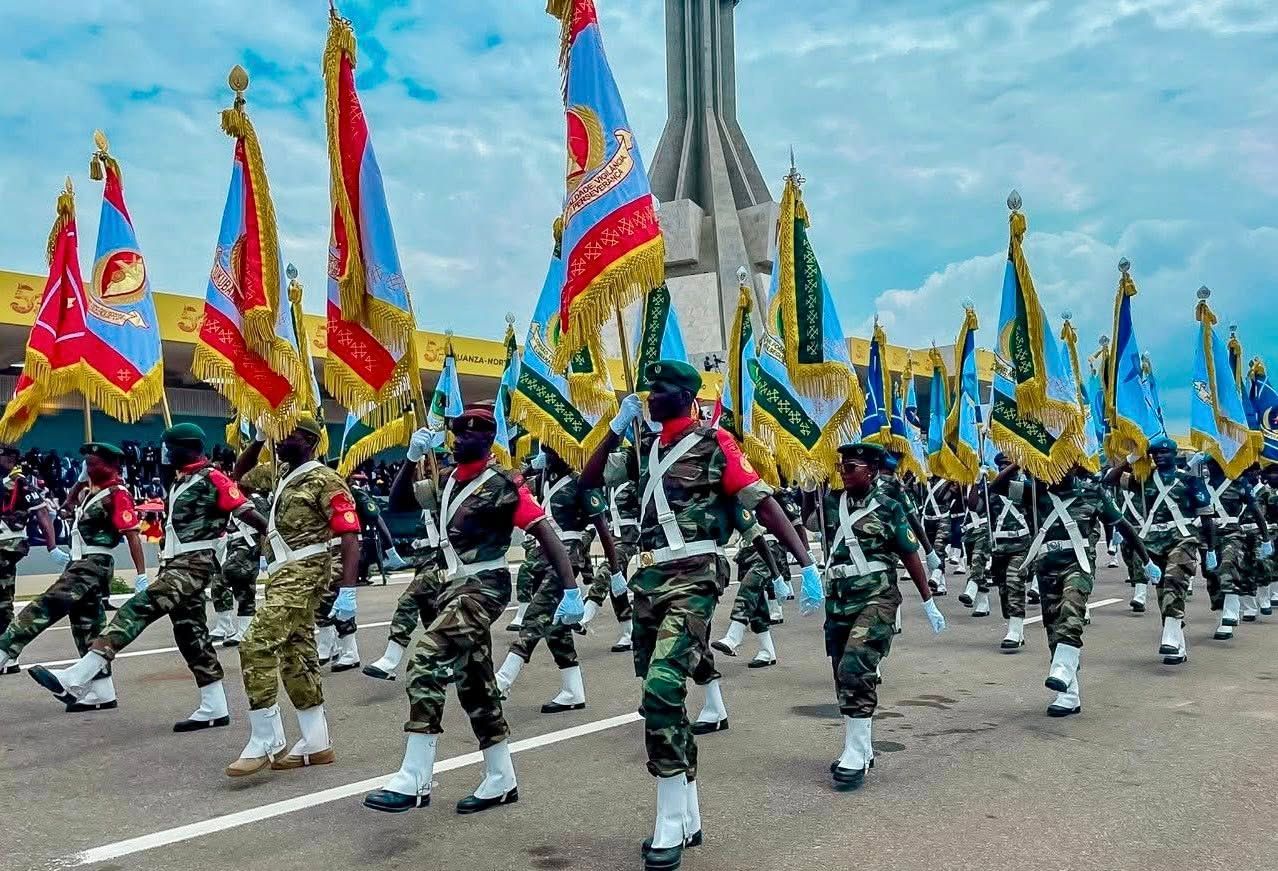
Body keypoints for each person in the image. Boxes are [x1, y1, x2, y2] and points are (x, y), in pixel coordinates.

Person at [580, 360, 819, 871]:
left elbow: (762, 501)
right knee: (659, 700)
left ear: (688, 396)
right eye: (648, 389)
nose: (651, 396)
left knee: (662, 687)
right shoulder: (644, 449)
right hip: (648, 583)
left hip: (695, 577)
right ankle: (688, 812)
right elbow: (589, 480)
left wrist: (804, 563)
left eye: (661, 388)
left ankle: (668, 820)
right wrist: (615, 428)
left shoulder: (716, 443)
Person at [363, 403, 579, 815]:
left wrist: (570, 589)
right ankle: (501, 777)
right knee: (475, 683)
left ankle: (415, 777)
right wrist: (410, 458)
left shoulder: (503, 484)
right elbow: (400, 503)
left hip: (484, 587)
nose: (460, 439)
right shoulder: (446, 479)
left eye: (471, 434)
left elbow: (543, 531)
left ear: (488, 440)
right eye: (458, 432)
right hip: (450, 587)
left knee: (426, 657)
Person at [29, 425, 267, 730]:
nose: (165, 453)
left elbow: (244, 511)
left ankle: (78, 675)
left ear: (186, 446)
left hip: (194, 564)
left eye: (169, 447)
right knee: (191, 635)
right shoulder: (182, 479)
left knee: (138, 607)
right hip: (174, 563)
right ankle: (214, 706)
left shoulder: (213, 478)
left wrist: (273, 537)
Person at [224, 414, 361, 777]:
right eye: (279, 434)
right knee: (296, 653)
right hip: (280, 572)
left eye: (290, 435)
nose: (281, 440)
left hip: (307, 569)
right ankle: (316, 742)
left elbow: (349, 534)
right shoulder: (279, 473)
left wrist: (348, 590)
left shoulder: (326, 480)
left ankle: (266, 738)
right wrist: (257, 439)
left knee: (255, 643)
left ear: (311, 441)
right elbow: (237, 478)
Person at [806, 442, 947, 791]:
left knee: (855, 666)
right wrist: (809, 482)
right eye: (841, 467)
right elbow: (808, 521)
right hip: (839, 600)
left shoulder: (888, 507)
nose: (843, 473)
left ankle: (855, 753)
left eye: (850, 467)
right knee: (842, 675)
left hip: (877, 597)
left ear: (870, 471)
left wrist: (928, 601)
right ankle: (862, 747)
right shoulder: (832, 503)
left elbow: (909, 555)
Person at [1000, 463, 1156, 715]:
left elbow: (1123, 525)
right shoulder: (1035, 492)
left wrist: (1147, 561)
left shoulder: (1092, 492)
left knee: (1071, 610)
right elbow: (997, 487)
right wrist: (1023, 459)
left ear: (1074, 466)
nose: (1058, 471)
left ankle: (1062, 668)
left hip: (1078, 564)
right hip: (1046, 567)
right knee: (1054, 627)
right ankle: (1069, 695)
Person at [0, 443, 146, 707]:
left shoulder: (117, 494)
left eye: (94, 464)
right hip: (80, 561)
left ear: (111, 465)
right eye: (86, 464)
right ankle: (102, 692)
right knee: (87, 626)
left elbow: (132, 534)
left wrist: (141, 574)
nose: (89, 469)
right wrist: (78, 485)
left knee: (45, 605)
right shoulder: (91, 493)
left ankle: (3, 651)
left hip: (94, 562)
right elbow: (67, 505)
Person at [494, 445, 620, 714]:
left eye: (554, 450)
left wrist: (616, 571)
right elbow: (517, 482)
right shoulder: (543, 478)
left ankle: (502, 680)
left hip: (567, 557)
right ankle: (573, 691)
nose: (549, 455)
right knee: (556, 629)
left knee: (535, 616)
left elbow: (603, 529)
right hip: (543, 555)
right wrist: (531, 467)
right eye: (546, 450)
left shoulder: (581, 483)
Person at [1106, 438, 1215, 663]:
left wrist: (1210, 550)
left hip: (1182, 538)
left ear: (1175, 454)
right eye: (1155, 453)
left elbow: (1206, 517)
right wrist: (1130, 459)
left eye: (1165, 453)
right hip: (1153, 541)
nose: (1159, 456)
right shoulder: (1143, 479)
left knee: (1174, 579)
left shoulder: (1189, 480)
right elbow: (1109, 480)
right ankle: (1178, 645)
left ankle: (1170, 637)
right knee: (1164, 592)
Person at [0, 446, 61, 665]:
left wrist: (52, 547)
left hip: (7, 543)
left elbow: (42, 512)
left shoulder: (20, 482)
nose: (7, 460)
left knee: (2, 600)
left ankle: (7, 654)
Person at [1197, 455, 1269, 638]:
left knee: (1228, 566)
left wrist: (1266, 538)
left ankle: (1230, 612)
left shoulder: (1239, 483)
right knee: (1212, 576)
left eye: (1216, 462)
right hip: (1206, 535)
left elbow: (1256, 511)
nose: (1211, 466)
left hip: (1231, 533)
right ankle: (1223, 614)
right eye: (1209, 463)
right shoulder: (1199, 485)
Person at [970, 454, 1033, 650]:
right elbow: (974, 505)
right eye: (1002, 465)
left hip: (1020, 545)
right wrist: (975, 481)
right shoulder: (992, 490)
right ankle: (1017, 629)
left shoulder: (1022, 487)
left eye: (1008, 465)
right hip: (999, 547)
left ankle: (1014, 630)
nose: (1004, 468)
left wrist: (1023, 461)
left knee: (1014, 583)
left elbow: (1005, 484)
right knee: (1004, 589)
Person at [581, 446, 640, 652]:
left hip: (632, 537)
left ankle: (586, 615)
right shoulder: (608, 486)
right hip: (615, 537)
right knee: (617, 587)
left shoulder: (635, 482)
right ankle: (628, 633)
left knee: (607, 571)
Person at [211, 482, 269, 647]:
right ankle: (228, 627)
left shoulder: (256, 500)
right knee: (228, 585)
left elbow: (265, 527)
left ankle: (242, 629)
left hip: (248, 547)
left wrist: (263, 554)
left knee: (237, 584)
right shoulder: (235, 498)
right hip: (232, 545)